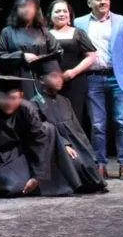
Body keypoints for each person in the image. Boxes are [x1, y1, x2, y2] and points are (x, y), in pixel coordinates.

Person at [74, 0, 123, 180]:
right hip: (92, 78)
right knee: (97, 125)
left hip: (118, 77)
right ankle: (100, 164)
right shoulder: (79, 23)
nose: (103, 2)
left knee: (122, 122)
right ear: (90, 3)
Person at [29, 53, 107, 194]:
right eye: (53, 76)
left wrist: (88, 151)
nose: (59, 80)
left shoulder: (65, 101)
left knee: (88, 163)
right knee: (76, 162)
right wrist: (63, 144)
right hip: (54, 148)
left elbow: (77, 130)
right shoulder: (35, 103)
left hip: (74, 144)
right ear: (41, 79)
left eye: (60, 75)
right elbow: (41, 131)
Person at [0, 75, 60, 198]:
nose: (10, 103)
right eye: (5, 98)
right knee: (14, 187)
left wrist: (38, 176)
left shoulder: (26, 108)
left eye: (14, 98)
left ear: (21, 96)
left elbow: (37, 140)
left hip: (22, 152)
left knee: (47, 129)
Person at [0, 0, 62, 100]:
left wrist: (41, 59)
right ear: (16, 9)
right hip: (18, 80)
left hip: (41, 80)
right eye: (22, 6)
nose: (27, 9)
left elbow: (58, 52)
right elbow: (0, 57)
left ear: (36, 9)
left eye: (30, 6)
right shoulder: (8, 32)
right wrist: (22, 56)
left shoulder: (43, 31)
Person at [46, 0, 97, 128]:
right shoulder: (44, 34)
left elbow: (91, 56)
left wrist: (73, 72)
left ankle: (75, 148)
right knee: (52, 119)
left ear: (69, 15)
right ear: (50, 16)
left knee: (74, 119)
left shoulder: (78, 33)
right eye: (57, 11)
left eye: (65, 11)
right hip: (50, 83)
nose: (62, 14)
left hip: (75, 82)